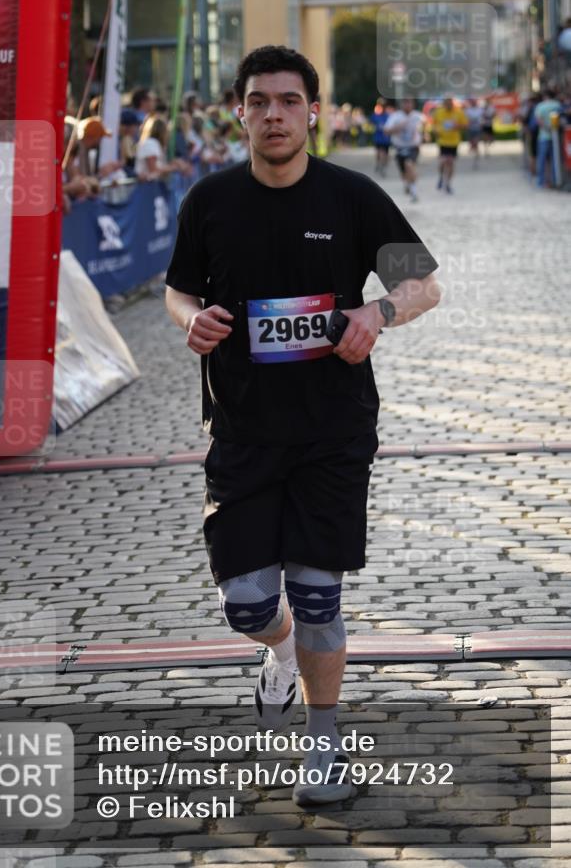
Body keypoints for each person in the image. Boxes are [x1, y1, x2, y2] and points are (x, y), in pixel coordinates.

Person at [165, 45, 440, 807]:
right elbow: (177, 291)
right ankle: (277, 652)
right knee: (247, 603)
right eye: (259, 102)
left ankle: (323, 751)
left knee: (319, 594)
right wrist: (192, 320)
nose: (274, 114)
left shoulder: (351, 197)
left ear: (312, 110)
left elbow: (422, 285)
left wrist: (377, 311)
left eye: (289, 101)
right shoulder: (210, 201)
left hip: (333, 431)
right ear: (240, 111)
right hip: (243, 431)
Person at [383, 98, 425, 201]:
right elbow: (386, 131)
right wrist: (398, 127)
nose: (407, 105)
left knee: (409, 165)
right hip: (400, 147)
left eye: (409, 102)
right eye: (405, 102)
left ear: (413, 104)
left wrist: (423, 135)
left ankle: (414, 192)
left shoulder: (418, 116)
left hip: (413, 147)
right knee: (403, 173)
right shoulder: (395, 116)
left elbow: (426, 126)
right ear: (402, 104)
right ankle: (407, 183)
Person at [134, 115, 190, 182]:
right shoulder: (151, 143)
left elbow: (159, 164)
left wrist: (176, 163)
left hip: (152, 183)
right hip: (147, 184)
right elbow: (153, 169)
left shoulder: (154, 143)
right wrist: (174, 168)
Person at [430, 96, 468, 194]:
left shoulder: (458, 112)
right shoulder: (438, 112)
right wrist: (435, 131)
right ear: (444, 103)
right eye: (446, 103)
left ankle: (448, 184)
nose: (448, 104)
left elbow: (465, 125)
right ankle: (441, 177)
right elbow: (433, 125)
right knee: (443, 161)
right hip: (442, 141)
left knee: (450, 162)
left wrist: (457, 126)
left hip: (454, 142)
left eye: (450, 102)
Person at [533, 87, 562, 188]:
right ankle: (555, 180)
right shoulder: (557, 105)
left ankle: (541, 181)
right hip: (556, 137)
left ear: (544, 96)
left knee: (542, 160)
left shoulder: (540, 106)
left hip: (543, 136)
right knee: (555, 160)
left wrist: (546, 127)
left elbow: (538, 121)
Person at [370, 97, 392, 176]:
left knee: (385, 154)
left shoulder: (387, 115)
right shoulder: (375, 115)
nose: (382, 106)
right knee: (379, 153)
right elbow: (371, 123)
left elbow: (391, 126)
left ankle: (383, 166)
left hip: (386, 138)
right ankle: (379, 164)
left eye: (383, 105)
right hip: (378, 138)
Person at [464, 98, 483, 169]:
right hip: (470, 129)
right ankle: (473, 151)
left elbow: (482, 119)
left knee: (476, 143)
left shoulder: (480, 110)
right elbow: (465, 120)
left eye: (475, 102)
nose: (474, 103)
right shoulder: (468, 110)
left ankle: (476, 160)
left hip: (477, 129)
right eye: (472, 102)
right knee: (472, 144)